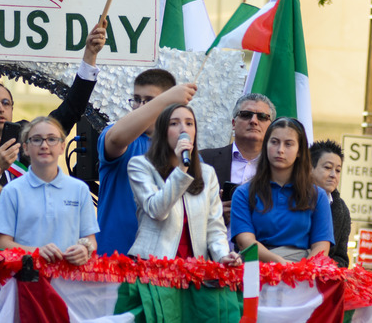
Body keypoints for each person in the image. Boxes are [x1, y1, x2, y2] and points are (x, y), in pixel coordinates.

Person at [0, 21, 107, 194]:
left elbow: (71, 110)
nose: (0, 108)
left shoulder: (30, 138)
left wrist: (90, 56)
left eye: (6, 103)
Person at [96, 69, 197, 256]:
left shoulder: (183, 151)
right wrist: (164, 99)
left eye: (149, 100)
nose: (140, 106)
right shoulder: (121, 136)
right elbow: (116, 139)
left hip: (162, 262)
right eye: (136, 99)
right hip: (114, 258)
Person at [127, 104, 240, 265]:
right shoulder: (140, 165)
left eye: (189, 123)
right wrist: (181, 169)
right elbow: (157, 210)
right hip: (153, 266)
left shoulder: (207, 173)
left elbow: (214, 226)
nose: (183, 129)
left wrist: (222, 255)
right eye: (174, 123)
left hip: (195, 269)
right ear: (162, 132)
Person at [0, 117, 98, 266]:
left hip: (70, 282)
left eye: (52, 139)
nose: (44, 145)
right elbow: (2, 244)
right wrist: (36, 252)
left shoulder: (79, 189)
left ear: (62, 146)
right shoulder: (12, 191)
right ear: (26, 148)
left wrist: (84, 249)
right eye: (36, 140)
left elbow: (90, 240)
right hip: (28, 281)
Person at [231, 117, 334, 263]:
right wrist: (280, 263)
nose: (280, 150)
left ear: (299, 151)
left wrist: (300, 271)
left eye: (288, 144)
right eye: (274, 142)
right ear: (265, 145)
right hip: (256, 271)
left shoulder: (318, 196)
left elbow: (321, 246)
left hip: (302, 277)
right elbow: (245, 242)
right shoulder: (243, 193)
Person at [199, 93, 275, 226]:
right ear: (234, 123)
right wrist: (211, 214)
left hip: (261, 244)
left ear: (272, 127)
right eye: (246, 114)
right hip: (211, 242)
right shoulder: (203, 159)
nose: (254, 121)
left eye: (262, 117)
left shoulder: (278, 167)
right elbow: (183, 209)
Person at [310, 140, 350, 268]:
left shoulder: (342, 209)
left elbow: (341, 257)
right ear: (309, 168)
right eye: (327, 167)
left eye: (338, 170)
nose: (333, 175)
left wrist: (326, 270)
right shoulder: (291, 196)